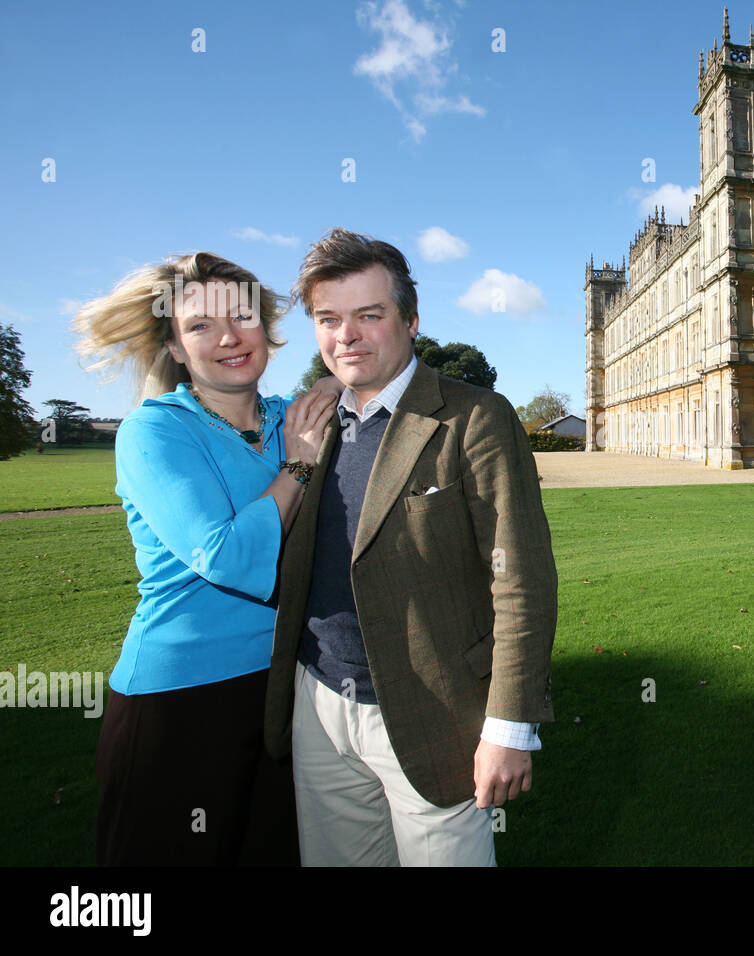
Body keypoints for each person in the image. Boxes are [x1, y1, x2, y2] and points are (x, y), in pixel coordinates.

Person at [264, 229, 557, 866]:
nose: (347, 336)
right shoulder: (309, 422)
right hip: (318, 702)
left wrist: (508, 726)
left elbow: (522, 578)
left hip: (433, 710)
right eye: (329, 319)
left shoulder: (474, 416)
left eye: (370, 315)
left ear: (411, 319)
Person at [75, 252, 340, 865]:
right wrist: (297, 465)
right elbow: (225, 556)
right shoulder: (154, 430)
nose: (228, 337)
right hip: (178, 703)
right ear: (172, 345)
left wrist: (331, 383)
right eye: (199, 326)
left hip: (283, 690)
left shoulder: (290, 418)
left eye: (242, 316)